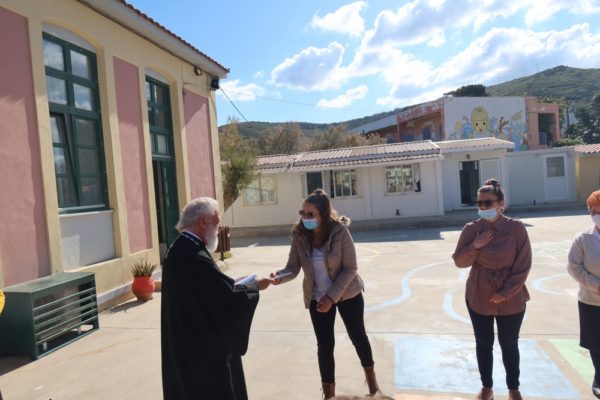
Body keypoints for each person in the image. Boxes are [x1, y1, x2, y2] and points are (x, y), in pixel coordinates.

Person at [270, 189, 386, 399]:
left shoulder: (340, 232)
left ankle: (371, 382)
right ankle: (329, 394)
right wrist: (279, 276)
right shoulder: (299, 235)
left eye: (310, 214)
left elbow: (350, 268)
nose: (305, 218)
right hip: (317, 298)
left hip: (348, 294)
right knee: (324, 346)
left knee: (358, 336)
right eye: (302, 213)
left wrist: (331, 297)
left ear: (323, 215)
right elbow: (292, 267)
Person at [161, 197, 270, 400]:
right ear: (204, 221)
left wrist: (232, 282)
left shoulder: (179, 248)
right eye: (217, 221)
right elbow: (228, 301)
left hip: (186, 344)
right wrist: (255, 285)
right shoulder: (195, 255)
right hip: (204, 353)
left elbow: (210, 290)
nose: (220, 228)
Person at [452, 179, 531, 400]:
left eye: (488, 202)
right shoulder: (471, 230)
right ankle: (487, 387)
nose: (483, 207)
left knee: (509, 343)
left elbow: (523, 264)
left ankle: (513, 388)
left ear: (501, 203)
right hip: (479, 294)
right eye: (480, 203)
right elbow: (459, 261)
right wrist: (475, 246)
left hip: (512, 296)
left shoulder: (516, 229)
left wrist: (506, 292)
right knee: (484, 343)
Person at [567, 190, 600, 399]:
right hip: (591, 301)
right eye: (592, 211)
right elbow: (574, 267)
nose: (595, 215)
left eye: (599, 210)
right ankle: (599, 378)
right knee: (596, 342)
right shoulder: (583, 239)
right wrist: (597, 286)